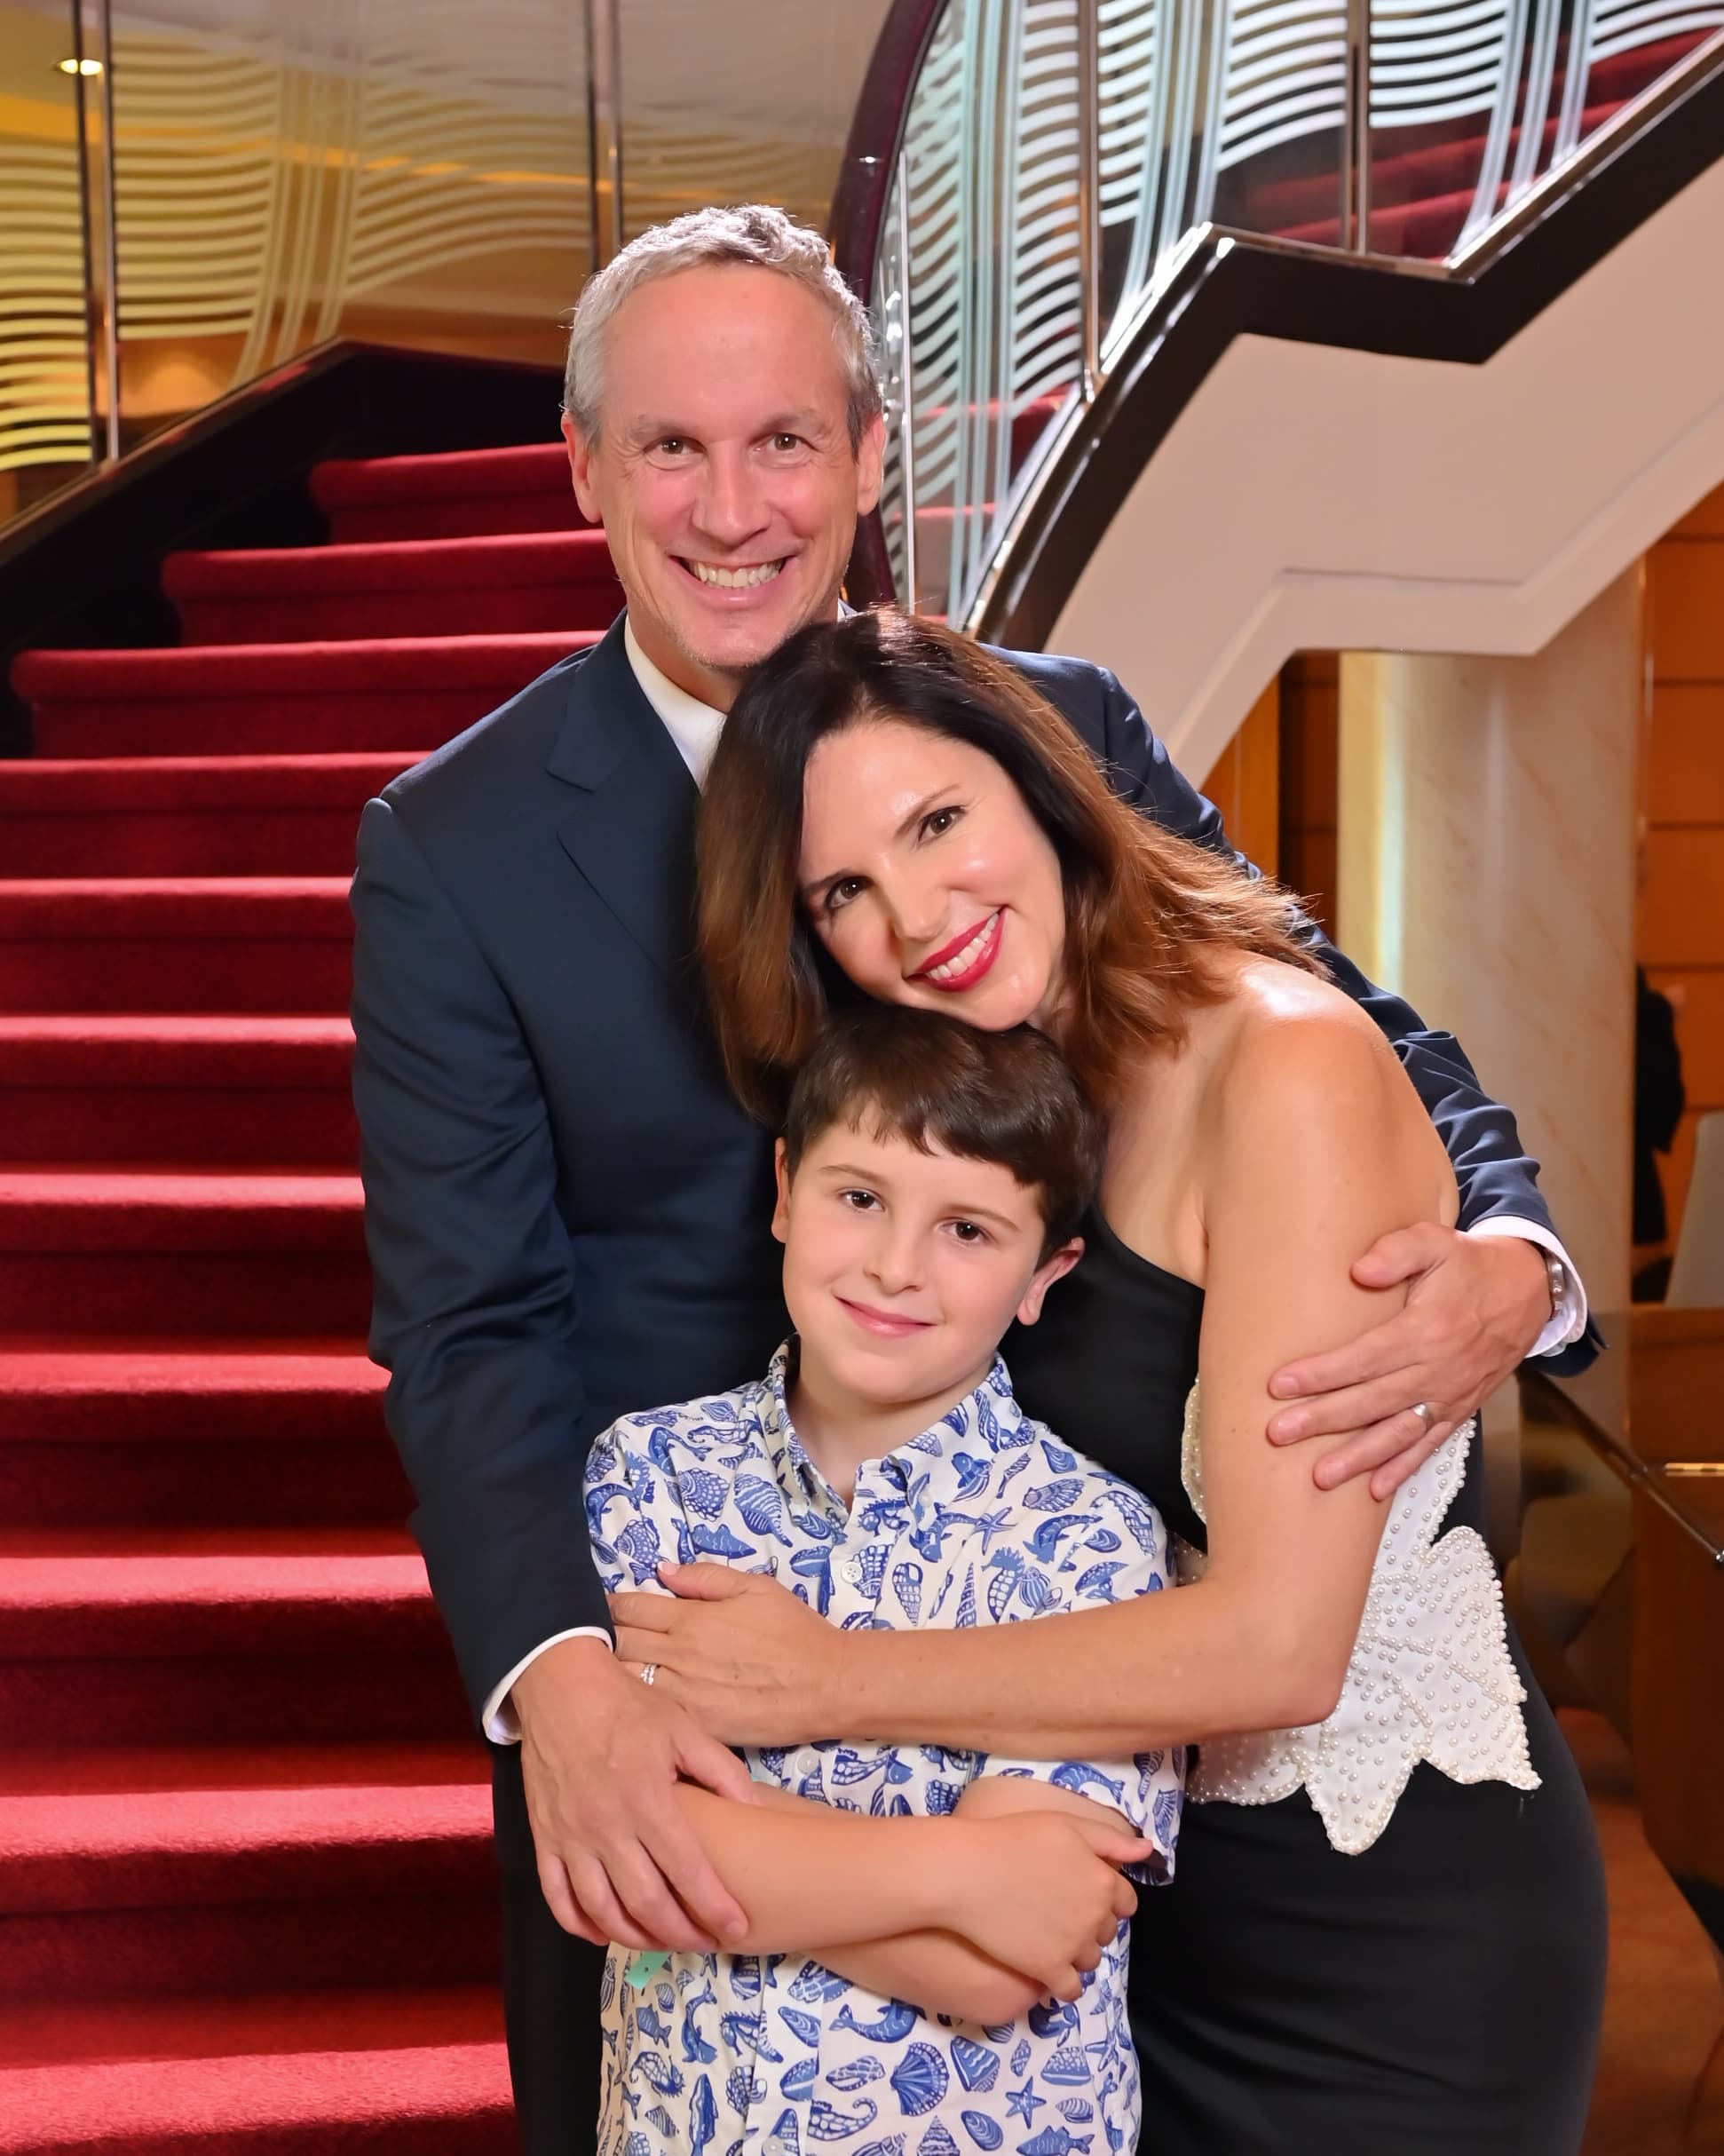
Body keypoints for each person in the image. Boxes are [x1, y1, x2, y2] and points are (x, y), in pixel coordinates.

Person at [348, 203, 1594, 2150]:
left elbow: (1347, 1021)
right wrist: (570, 1688)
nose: (732, 502)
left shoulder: (1040, 727)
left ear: (865, 457)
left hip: (1119, 1711)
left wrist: (1514, 1250)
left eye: (781, 440)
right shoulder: (456, 845)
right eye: (669, 445)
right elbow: (466, 1324)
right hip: (704, 1680)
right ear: (585, 469)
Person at [646, 607, 1608, 2154]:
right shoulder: (1008, 1097)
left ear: (1037, 781)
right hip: (1120, 1913)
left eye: (939, 822)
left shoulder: (1279, 1060)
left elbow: (1282, 1650)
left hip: (1383, 1934)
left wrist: (821, 1675)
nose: (914, 915)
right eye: (844, 891)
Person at [585, 1005, 1182, 2154]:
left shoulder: (1086, 1536)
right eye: (858, 1197)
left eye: (967, 1229)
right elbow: (621, 1846)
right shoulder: (649, 1476)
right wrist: (964, 1871)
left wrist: (718, 1842)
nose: (894, 1266)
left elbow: (1010, 1962)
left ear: (1043, 1274)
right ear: (783, 1188)